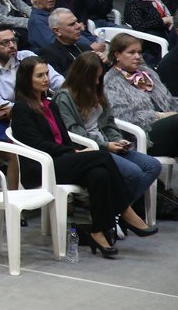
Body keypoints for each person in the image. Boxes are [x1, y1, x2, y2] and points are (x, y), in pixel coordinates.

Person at [12, 56, 156, 257]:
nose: (45, 79)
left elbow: (63, 138)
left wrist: (73, 151)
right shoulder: (21, 108)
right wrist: (74, 152)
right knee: (102, 157)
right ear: (27, 80)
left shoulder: (50, 104)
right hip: (42, 167)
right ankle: (124, 210)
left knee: (99, 175)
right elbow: (37, 144)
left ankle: (98, 231)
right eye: (39, 75)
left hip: (61, 161)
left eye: (46, 74)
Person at [53, 52, 160, 204]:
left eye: (99, 77)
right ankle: (119, 211)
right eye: (94, 78)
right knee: (133, 172)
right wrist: (106, 145)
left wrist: (117, 139)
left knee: (152, 166)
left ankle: (117, 209)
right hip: (89, 150)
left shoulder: (98, 93)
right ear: (81, 76)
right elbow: (74, 131)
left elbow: (108, 123)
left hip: (107, 145)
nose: (97, 82)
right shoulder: (65, 97)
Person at [104, 32, 178, 157]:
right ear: (117, 55)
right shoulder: (111, 81)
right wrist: (161, 116)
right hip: (142, 135)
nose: (137, 56)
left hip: (169, 126)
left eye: (139, 52)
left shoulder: (147, 73)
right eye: (131, 52)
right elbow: (124, 117)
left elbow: (169, 100)